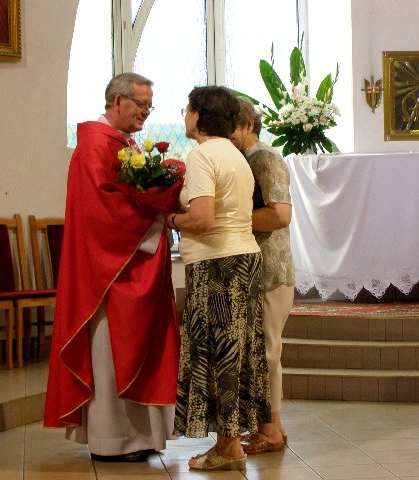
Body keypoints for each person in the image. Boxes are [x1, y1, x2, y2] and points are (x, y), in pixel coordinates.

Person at [44, 72, 180, 463]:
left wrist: (158, 203)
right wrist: (158, 217)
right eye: (141, 104)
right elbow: (103, 213)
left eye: (150, 105)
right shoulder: (94, 145)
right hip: (108, 275)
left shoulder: (122, 144)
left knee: (136, 350)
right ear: (117, 102)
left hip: (128, 265)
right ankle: (114, 440)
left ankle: (141, 437)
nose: (146, 112)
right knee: (109, 355)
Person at [166, 86, 271, 471]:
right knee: (237, 351)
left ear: (200, 115)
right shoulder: (234, 155)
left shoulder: (203, 154)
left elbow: (202, 218)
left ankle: (227, 447)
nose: (184, 116)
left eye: (187, 109)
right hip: (243, 259)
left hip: (217, 265)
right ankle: (230, 443)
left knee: (218, 353)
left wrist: (168, 219)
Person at [231, 97, 295, 454]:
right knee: (261, 352)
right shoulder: (246, 158)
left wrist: (226, 219)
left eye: (231, 128)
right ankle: (272, 427)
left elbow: (280, 215)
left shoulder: (265, 158)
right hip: (256, 266)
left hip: (271, 267)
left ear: (248, 125)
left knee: (267, 352)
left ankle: (271, 430)